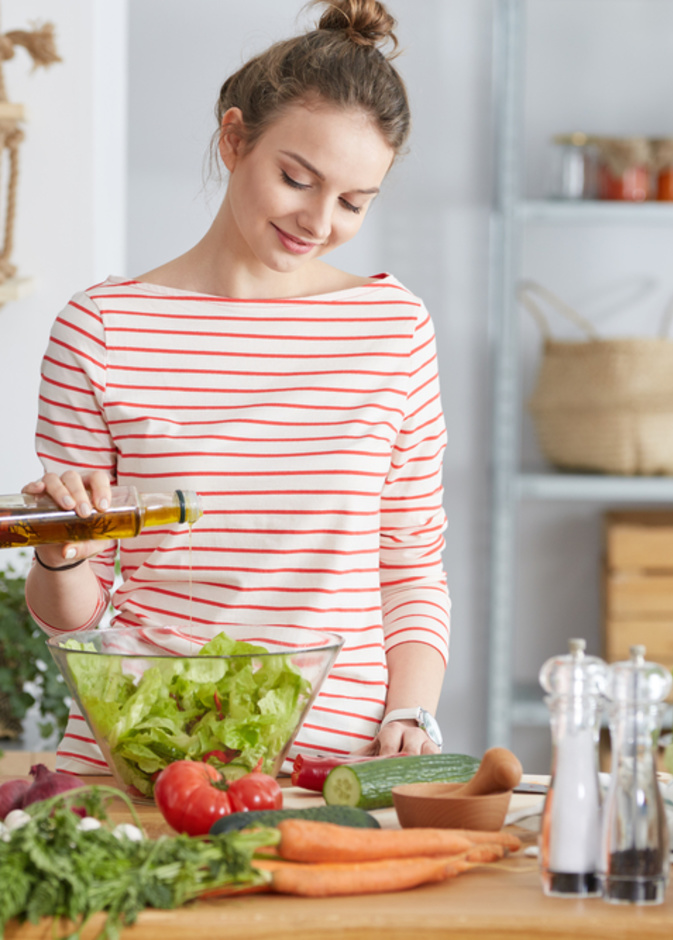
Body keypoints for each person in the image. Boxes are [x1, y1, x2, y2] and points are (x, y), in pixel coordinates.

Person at [23, 0, 450, 775]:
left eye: (354, 203)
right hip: (149, 757)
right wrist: (57, 549)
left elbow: (411, 562)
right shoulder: (103, 331)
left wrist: (409, 711)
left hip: (332, 776)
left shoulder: (394, 327)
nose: (319, 221)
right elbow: (77, 621)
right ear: (233, 138)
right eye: (297, 178)